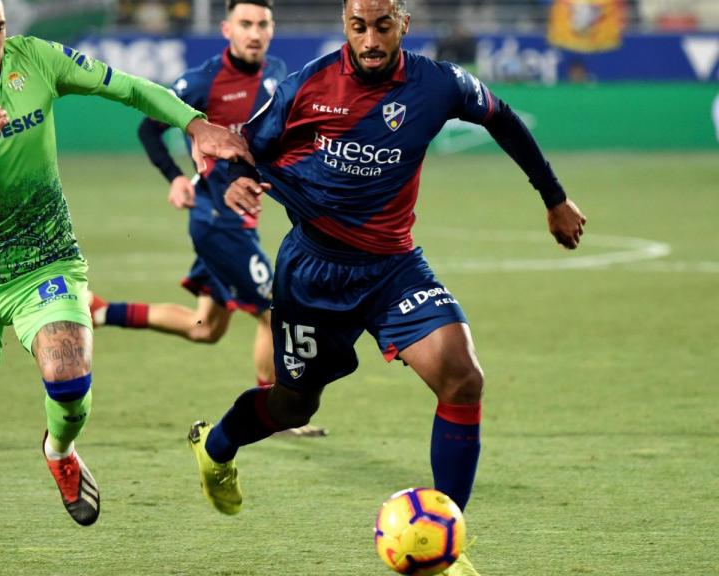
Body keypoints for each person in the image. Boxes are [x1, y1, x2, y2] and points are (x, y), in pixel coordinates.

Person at [187, 1, 587, 575]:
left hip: (393, 268)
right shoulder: (306, 86)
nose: (370, 40)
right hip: (313, 273)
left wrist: (553, 196)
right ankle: (217, 446)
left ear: (404, 22)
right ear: (345, 24)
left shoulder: (440, 83)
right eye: (358, 26)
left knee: (462, 376)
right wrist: (239, 180)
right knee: (293, 402)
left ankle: (448, 550)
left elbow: (500, 116)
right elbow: (241, 145)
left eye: (382, 26)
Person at [0, 1, 249, 574]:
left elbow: (129, 88)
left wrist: (193, 122)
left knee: (68, 378)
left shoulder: (35, 60)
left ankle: (58, 450)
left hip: (46, 259)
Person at [90, 0, 326, 438]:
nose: (254, 33)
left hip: (239, 219)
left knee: (206, 328)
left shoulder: (275, 74)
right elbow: (149, 129)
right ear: (226, 29)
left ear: (271, 30)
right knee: (273, 309)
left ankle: (102, 311)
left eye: (262, 24)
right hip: (217, 220)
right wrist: (176, 177)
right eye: (245, 24)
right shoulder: (201, 82)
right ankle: (276, 412)